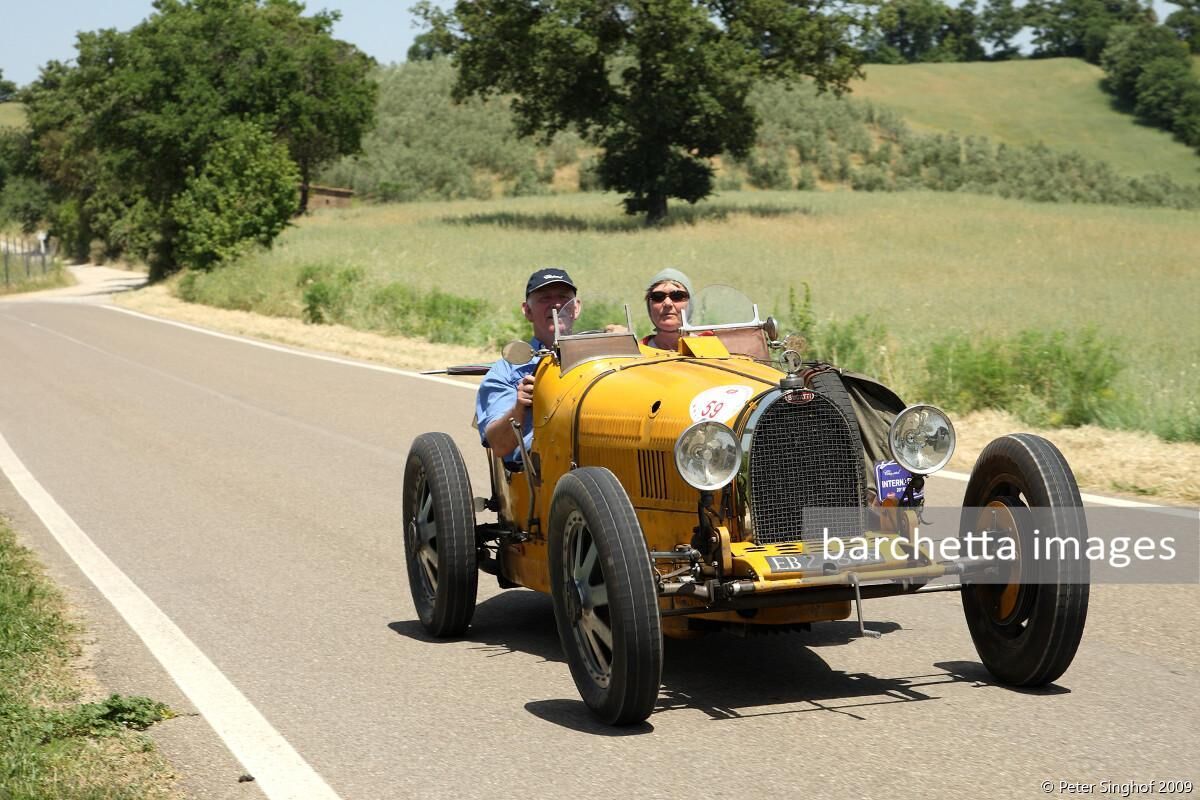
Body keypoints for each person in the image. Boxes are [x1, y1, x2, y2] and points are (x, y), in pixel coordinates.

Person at [476, 268, 580, 464]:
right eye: (545, 298)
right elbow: (499, 445)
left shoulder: (601, 359)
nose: (556, 304)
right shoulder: (506, 372)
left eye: (563, 297)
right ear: (527, 311)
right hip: (537, 471)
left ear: (576, 308)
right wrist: (519, 406)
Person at [641, 268, 692, 352]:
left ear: (690, 303)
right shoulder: (636, 353)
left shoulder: (711, 348)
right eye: (658, 296)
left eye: (677, 296)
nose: (667, 303)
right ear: (649, 305)